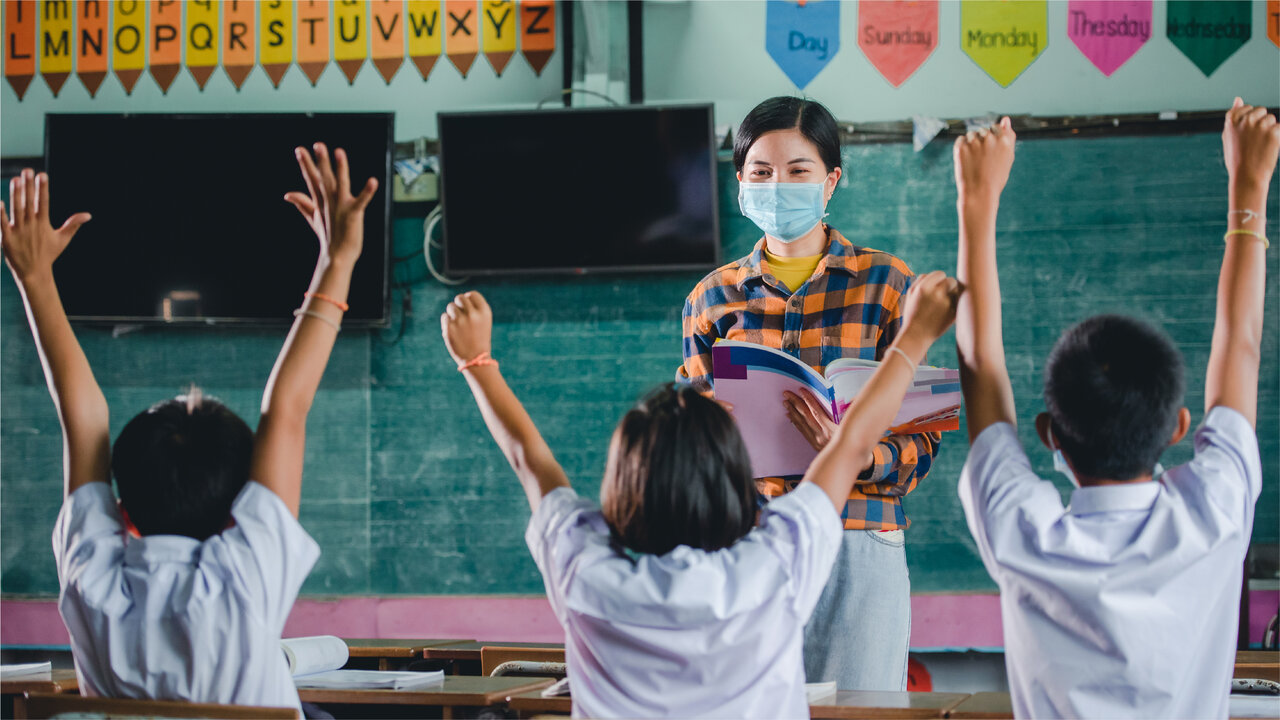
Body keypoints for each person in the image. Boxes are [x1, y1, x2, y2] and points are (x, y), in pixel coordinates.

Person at [439, 271, 960, 719]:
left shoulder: (584, 565)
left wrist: (477, 362)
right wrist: (912, 339)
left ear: (621, 485)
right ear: (735, 483)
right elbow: (848, 448)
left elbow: (531, 462)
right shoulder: (772, 565)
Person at [0, 145, 378, 712]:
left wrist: (34, 280)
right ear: (237, 511)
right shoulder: (243, 577)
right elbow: (286, 412)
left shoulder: (95, 579)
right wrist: (339, 259)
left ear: (122, 514)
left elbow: (84, 419)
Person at [953, 101, 1275, 718]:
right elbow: (1243, 342)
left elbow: (979, 364)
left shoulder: (1026, 531)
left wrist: (978, 202)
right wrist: (1249, 184)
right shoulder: (1213, 514)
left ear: (1050, 433)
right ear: (1181, 428)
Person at [677, 96, 936, 689]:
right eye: (761, 172)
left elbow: (922, 439)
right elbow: (683, 450)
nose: (779, 185)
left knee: (862, 707)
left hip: (858, 534)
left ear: (831, 180)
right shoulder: (710, 299)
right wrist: (708, 434)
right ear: (739, 181)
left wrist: (856, 453)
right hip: (748, 542)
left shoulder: (890, 284)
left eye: (799, 171)